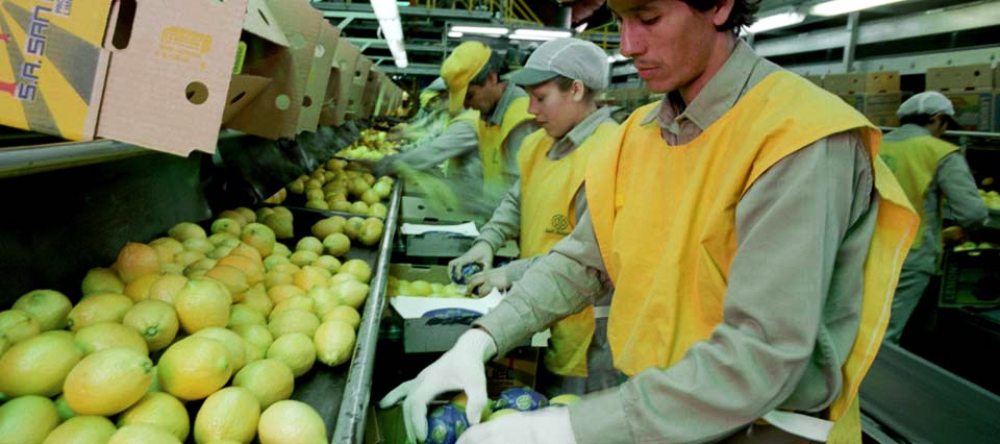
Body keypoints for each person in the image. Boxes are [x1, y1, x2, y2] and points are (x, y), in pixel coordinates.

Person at [380, 0, 918, 443]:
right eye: (621, 21)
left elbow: (760, 354)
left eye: (650, 17)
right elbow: (582, 260)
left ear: (720, 6)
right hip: (653, 411)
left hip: (760, 428)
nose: (628, 45)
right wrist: (479, 340)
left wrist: (565, 428)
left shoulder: (797, 138)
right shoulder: (638, 135)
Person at [448, 37, 624, 396]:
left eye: (540, 98)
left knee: (572, 412)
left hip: (589, 333)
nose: (530, 109)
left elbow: (593, 257)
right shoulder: (539, 143)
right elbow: (517, 201)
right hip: (538, 311)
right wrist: (486, 243)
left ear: (576, 90)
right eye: (528, 96)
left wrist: (507, 273)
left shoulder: (613, 153)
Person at [879, 91, 988, 344]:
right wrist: (966, 229)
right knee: (885, 337)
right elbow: (972, 214)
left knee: (864, 324)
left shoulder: (878, 144)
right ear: (938, 119)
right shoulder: (940, 152)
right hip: (911, 254)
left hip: (869, 249)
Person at [440, 40, 538, 212]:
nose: (466, 105)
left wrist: (463, 198)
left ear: (492, 78)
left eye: (470, 95)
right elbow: (488, 167)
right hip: (497, 222)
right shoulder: (488, 117)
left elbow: (518, 193)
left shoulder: (521, 119)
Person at [370, 77, 484, 194]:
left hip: (472, 194)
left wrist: (385, 164)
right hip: (457, 186)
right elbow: (431, 140)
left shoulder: (468, 122)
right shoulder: (451, 116)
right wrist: (402, 149)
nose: (442, 102)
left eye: (444, 97)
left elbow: (434, 151)